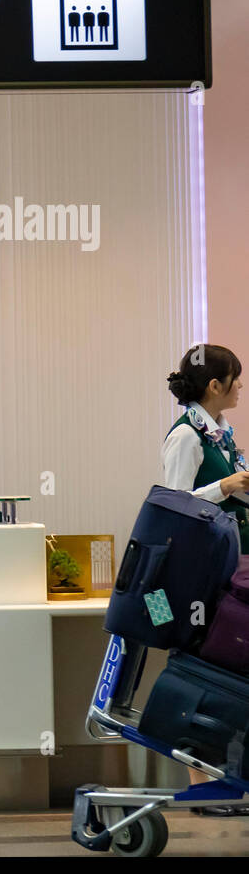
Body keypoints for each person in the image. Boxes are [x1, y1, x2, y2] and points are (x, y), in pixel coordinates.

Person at [162, 343, 249, 816]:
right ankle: (202, 786)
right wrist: (228, 486)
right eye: (236, 378)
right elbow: (176, 507)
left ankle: (222, 780)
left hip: (233, 570)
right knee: (205, 675)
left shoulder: (219, 435)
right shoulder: (187, 438)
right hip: (206, 576)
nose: (240, 386)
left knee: (230, 675)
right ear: (216, 386)